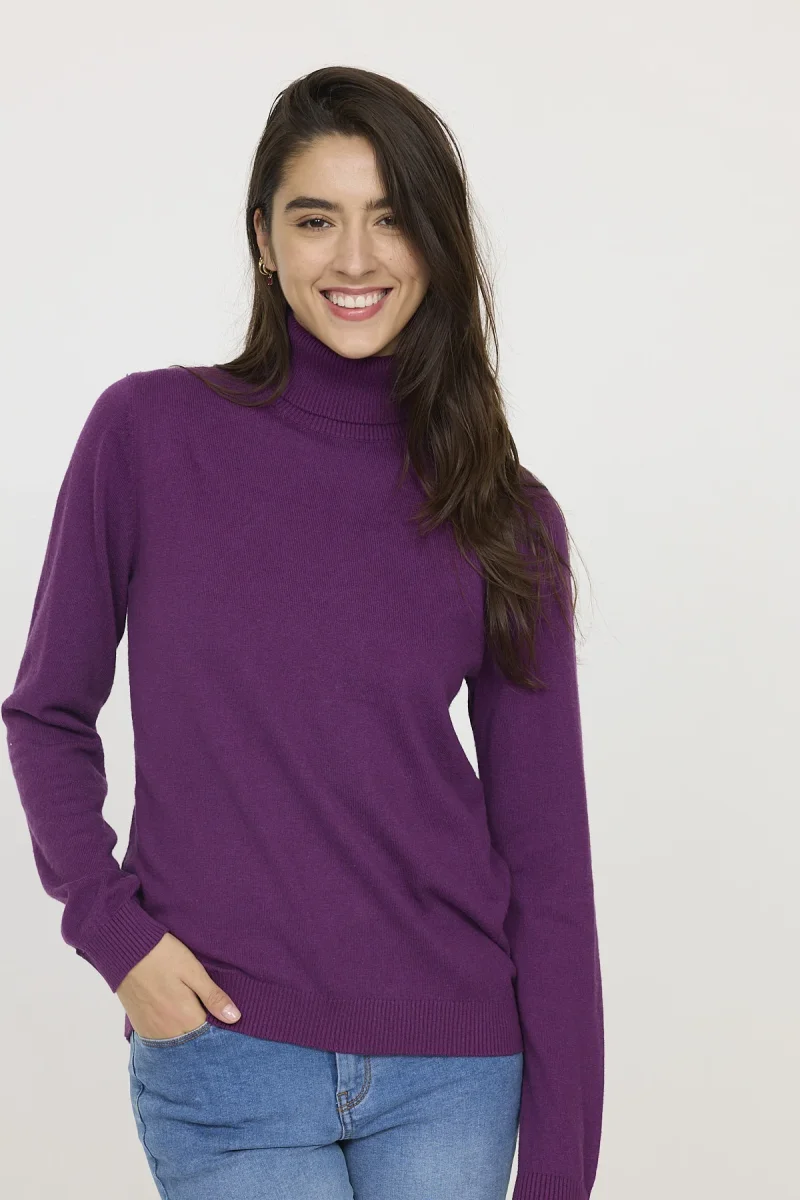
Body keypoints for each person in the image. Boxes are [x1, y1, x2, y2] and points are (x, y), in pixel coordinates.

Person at [1, 65, 604, 1200]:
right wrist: (114, 935)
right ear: (264, 240)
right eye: (317, 219)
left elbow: (547, 863)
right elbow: (46, 713)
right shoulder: (148, 435)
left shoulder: (505, 516)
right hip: (226, 1047)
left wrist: (561, 1174)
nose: (355, 258)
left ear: (436, 242)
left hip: (455, 1065)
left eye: (391, 218)